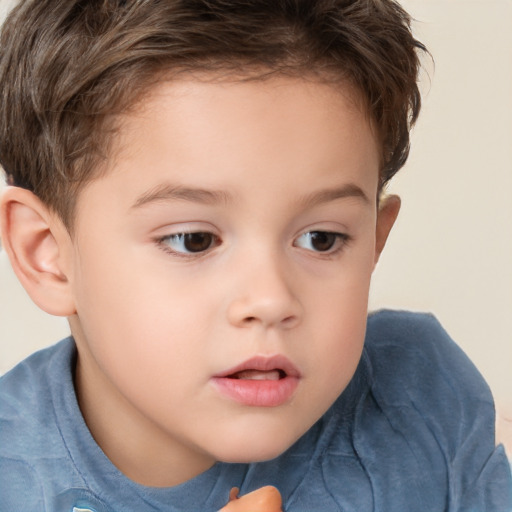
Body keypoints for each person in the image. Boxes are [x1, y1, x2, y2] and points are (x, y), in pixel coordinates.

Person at [0, 0, 510, 510]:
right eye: (194, 239)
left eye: (321, 239)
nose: (270, 300)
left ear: (375, 241)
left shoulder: (421, 399)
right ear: (46, 253)